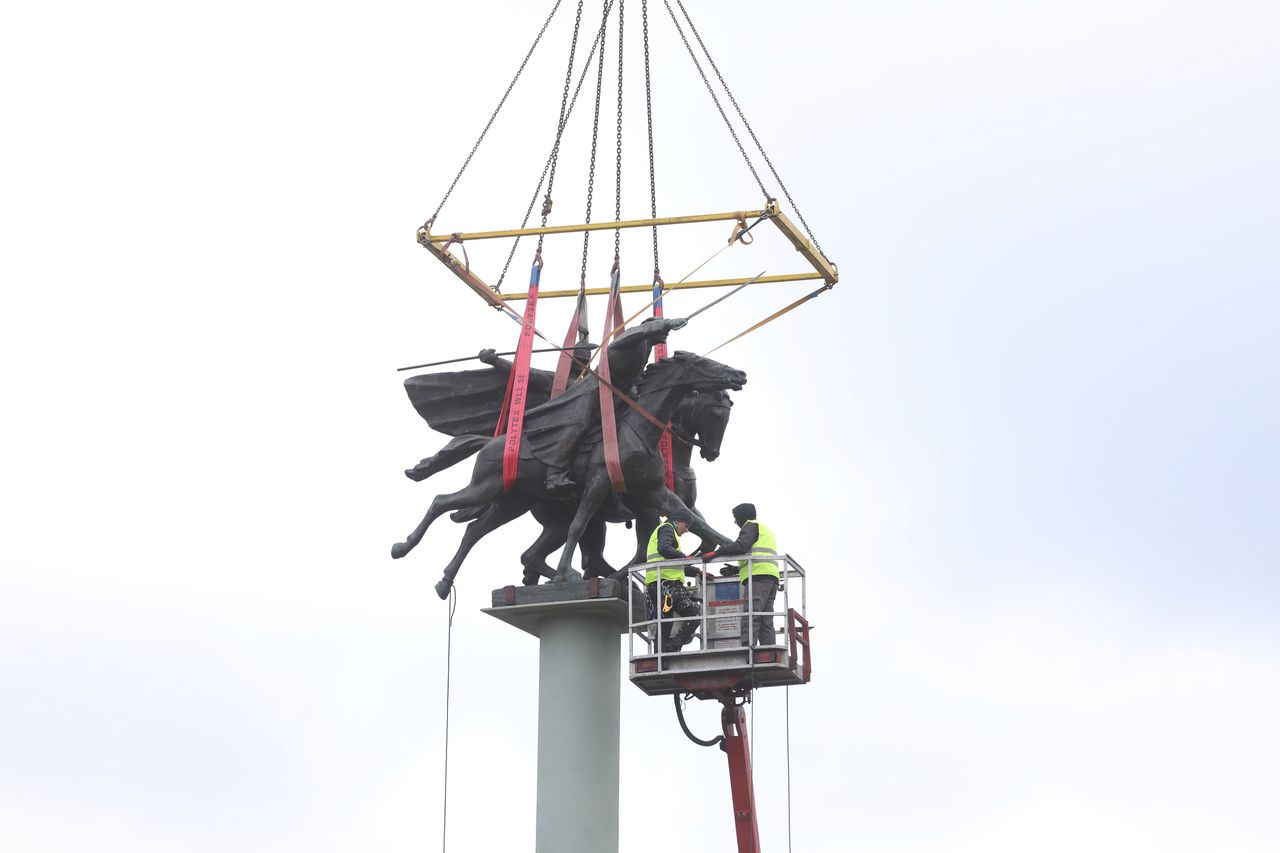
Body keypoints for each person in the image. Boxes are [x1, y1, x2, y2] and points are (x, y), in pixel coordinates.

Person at [708, 503, 780, 647]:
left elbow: (741, 545)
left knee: (751, 613)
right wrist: (736, 569)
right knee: (765, 616)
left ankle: (748, 646)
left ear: (742, 516)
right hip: (770, 576)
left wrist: (717, 552)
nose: (735, 522)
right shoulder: (765, 529)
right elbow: (755, 554)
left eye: (736, 518)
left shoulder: (750, 525)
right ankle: (769, 647)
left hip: (758, 576)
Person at [644, 512, 705, 653]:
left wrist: (697, 572)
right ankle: (673, 648)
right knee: (694, 615)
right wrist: (685, 557)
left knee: (665, 621)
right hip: (667, 586)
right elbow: (664, 548)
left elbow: (674, 563)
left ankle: (661, 654)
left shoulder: (665, 530)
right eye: (686, 526)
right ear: (677, 521)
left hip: (659, 585)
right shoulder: (667, 528)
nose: (686, 530)